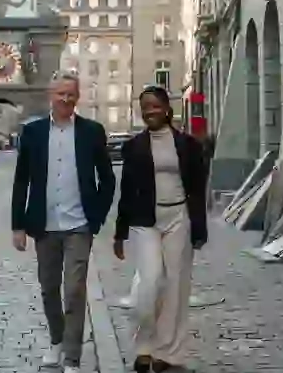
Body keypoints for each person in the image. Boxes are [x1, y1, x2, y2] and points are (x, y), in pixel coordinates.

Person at [11, 71, 116, 373]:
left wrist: (96, 215)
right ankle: (57, 341)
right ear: (51, 95)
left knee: (74, 290)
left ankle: (72, 357)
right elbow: (22, 182)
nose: (66, 99)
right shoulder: (32, 133)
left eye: (71, 94)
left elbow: (107, 179)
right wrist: (18, 226)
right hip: (44, 225)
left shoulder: (91, 131)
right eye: (61, 93)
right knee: (48, 289)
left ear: (77, 97)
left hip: (79, 225)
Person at [113, 85, 209, 373]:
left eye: (155, 105)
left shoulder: (189, 145)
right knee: (150, 282)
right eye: (145, 107)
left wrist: (199, 228)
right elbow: (127, 191)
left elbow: (197, 189)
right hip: (145, 222)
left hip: (179, 217)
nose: (150, 111)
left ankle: (168, 354)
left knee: (176, 286)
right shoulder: (133, 147)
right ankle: (143, 346)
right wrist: (120, 233)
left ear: (167, 108)